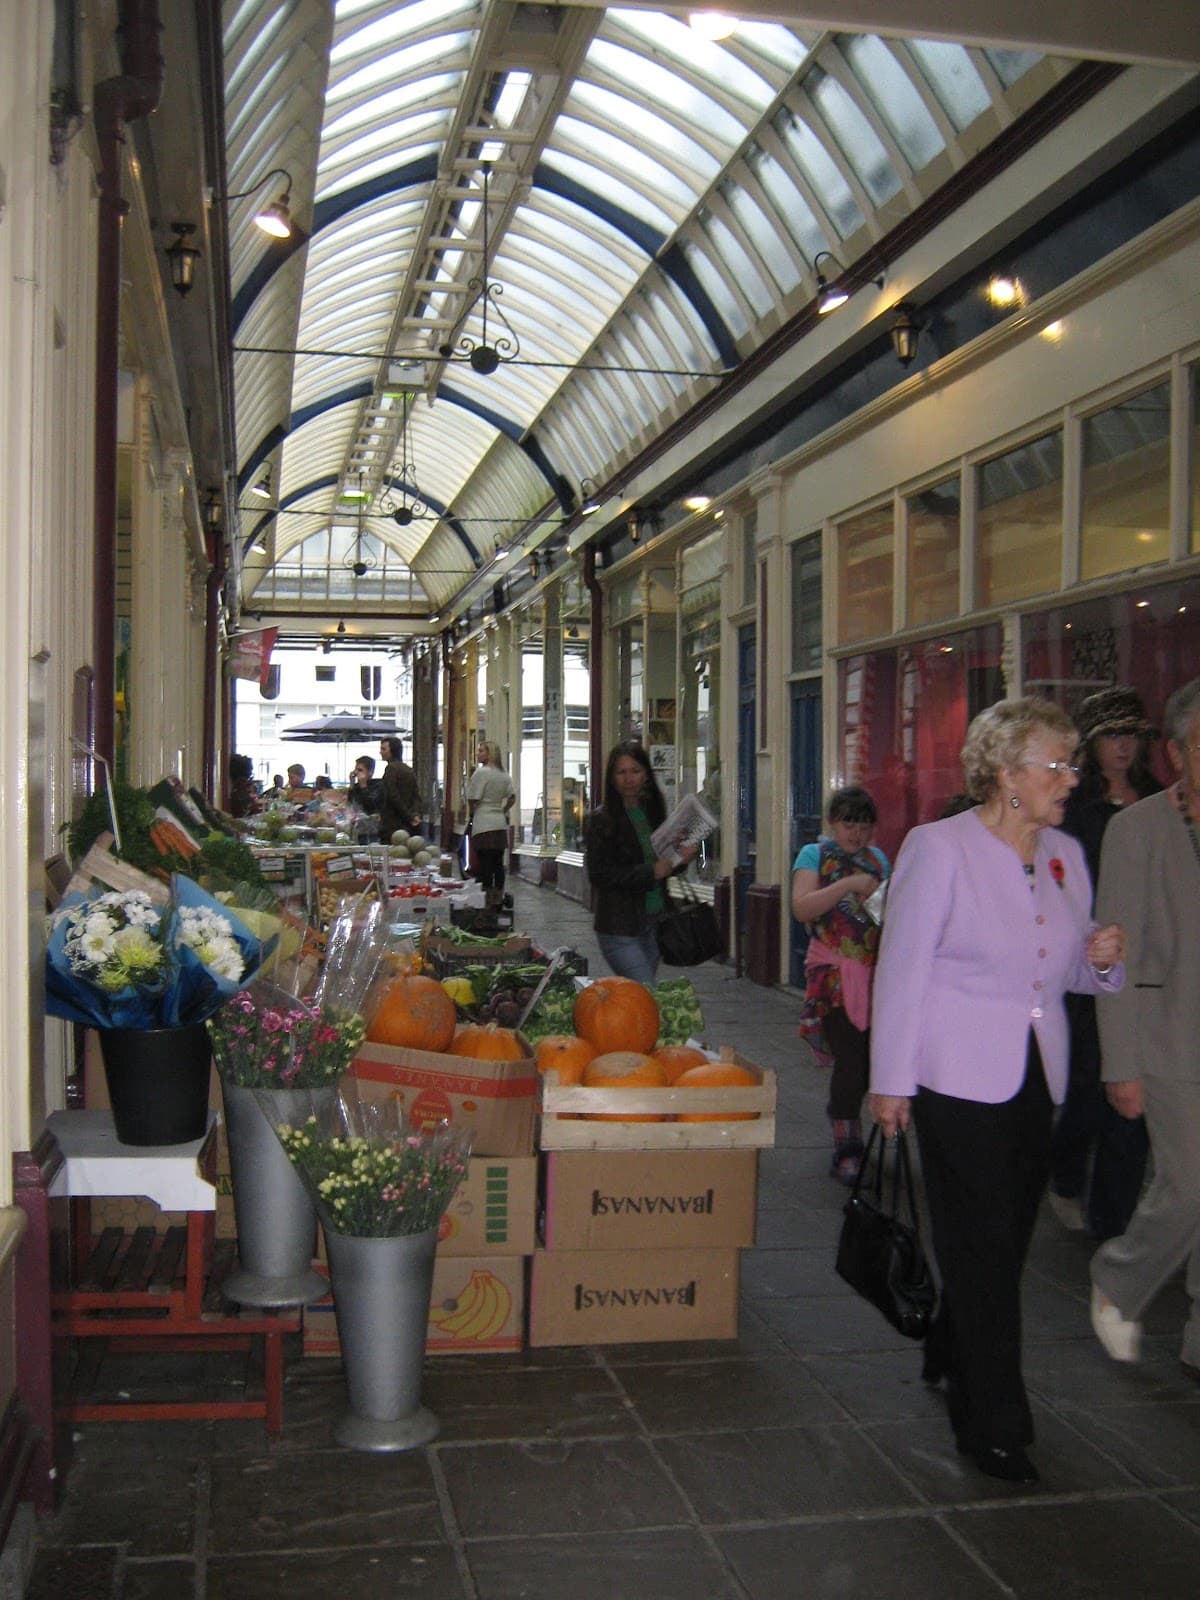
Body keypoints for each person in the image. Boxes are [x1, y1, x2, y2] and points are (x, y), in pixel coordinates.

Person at [870, 697, 1125, 1485]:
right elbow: (903, 968)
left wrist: (1103, 958)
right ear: (1008, 774)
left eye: (1073, 763)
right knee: (981, 1249)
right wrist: (890, 1081)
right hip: (954, 1079)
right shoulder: (939, 848)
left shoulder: (1062, 857)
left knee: (1005, 1244)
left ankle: (951, 1343)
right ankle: (994, 1423)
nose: (1071, 778)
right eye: (1058, 763)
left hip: (1035, 1077)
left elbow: (1070, 970)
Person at [1089, 677, 1200, 1379]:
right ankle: (1120, 1278)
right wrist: (1118, 1063)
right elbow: (1112, 956)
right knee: (1190, 1184)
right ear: (1183, 751)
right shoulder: (1137, 830)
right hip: (1166, 1038)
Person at [1049, 686, 1161, 1238]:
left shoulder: (1162, 801)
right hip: (1091, 966)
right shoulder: (1075, 812)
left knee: (1134, 1102)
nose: (1123, 748)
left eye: (1131, 737)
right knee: (1090, 1088)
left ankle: (1112, 1219)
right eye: (1113, 736)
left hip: (1154, 967)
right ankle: (1067, 1177)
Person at [791, 786, 890, 1184]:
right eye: (849, 823)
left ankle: (849, 1120)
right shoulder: (814, 855)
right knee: (852, 1060)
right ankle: (847, 1145)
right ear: (833, 823)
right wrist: (848, 886)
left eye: (865, 824)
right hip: (832, 974)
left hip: (873, 974)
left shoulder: (878, 860)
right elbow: (802, 908)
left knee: (870, 1061)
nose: (857, 833)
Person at [584, 739, 698, 985]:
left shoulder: (653, 812)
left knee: (638, 998)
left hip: (654, 921)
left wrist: (681, 857)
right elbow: (600, 874)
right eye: (621, 772)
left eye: (635, 771)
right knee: (647, 991)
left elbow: (663, 866)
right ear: (612, 778)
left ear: (646, 774)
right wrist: (651, 872)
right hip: (619, 926)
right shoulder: (600, 820)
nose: (629, 778)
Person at [466, 742, 515, 908]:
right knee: (498, 865)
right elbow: (512, 797)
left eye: (481, 751)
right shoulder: (504, 775)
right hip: (499, 824)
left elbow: (473, 798)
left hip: (483, 824)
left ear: (489, 754)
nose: (478, 754)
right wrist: (502, 809)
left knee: (484, 866)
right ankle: (499, 897)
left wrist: (473, 811)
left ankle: (486, 900)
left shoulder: (481, 773)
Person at [378, 736, 422, 843]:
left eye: (384, 749)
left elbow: (393, 796)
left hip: (392, 823)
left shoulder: (391, 769)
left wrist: (409, 816)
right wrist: (415, 815)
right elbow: (416, 796)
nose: (380, 752)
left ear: (392, 750)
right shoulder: (409, 770)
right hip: (408, 825)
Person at [227, 753, 259, 819]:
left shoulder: (237, 787)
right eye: (250, 770)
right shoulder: (241, 787)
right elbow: (250, 810)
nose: (251, 773)